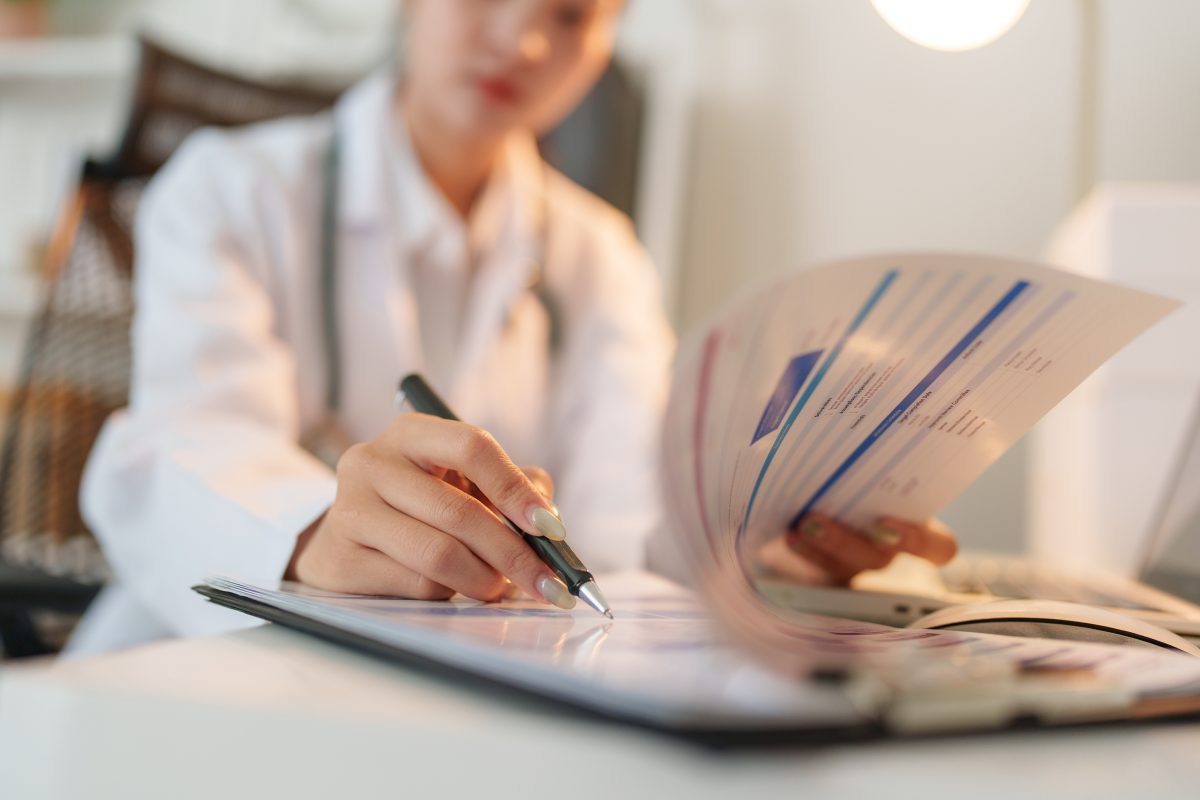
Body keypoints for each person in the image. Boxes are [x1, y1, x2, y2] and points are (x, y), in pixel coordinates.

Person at [73, 0, 956, 654]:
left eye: (571, 14)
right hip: (194, 671)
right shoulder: (231, 192)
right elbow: (185, 445)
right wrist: (310, 535)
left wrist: (765, 543)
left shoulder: (600, 255)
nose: (524, 42)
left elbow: (626, 518)